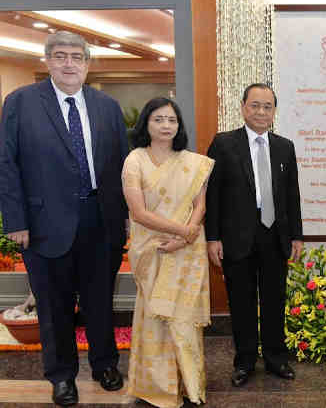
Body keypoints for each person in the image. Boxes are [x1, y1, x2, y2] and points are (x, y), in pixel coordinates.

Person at [0, 31, 128, 406]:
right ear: (48, 62)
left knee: (99, 300)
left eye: (76, 57)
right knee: (54, 305)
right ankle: (62, 377)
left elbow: (122, 168)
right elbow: (7, 166)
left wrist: (126, 218)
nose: (69, 63)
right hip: (43, 223)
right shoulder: (21, 103)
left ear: (88, 64)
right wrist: (16, 221)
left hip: (100, 218)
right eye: (60, 56)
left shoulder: (107, 106)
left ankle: (105, 365)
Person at [205, 83, 303, 387]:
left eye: (268, 106)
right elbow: (213, 196)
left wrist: (297, 237)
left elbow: (292, 195)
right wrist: (212, 238)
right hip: (237, 237)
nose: (261, 112)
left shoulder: (285, 146)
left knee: (275, 300)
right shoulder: (223, 144)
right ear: (243, 107)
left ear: (274, 112)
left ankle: (276, 359)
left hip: (275, 236)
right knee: (241, 302)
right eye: (255, 105)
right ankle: (244, 361)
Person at [122, 98, 214, 407]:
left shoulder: (192, 162)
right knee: (156, 319)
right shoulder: (135, 160)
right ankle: (158, 388)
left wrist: (186, 236)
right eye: (158, 119)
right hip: (154, 249)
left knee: (183, 318)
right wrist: (181, 233)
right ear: (146, 123)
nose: (165, 126)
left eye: (171, 120)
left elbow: (200, 205)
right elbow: (138, 212)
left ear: (179, 126)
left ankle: (189, 384)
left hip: (185, 250)